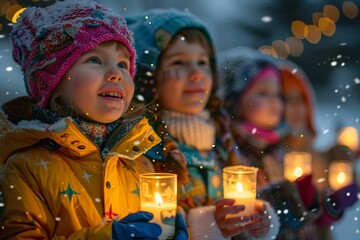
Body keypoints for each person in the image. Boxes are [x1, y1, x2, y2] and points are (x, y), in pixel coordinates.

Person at [0, 1, 187, 239]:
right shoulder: (26, 167)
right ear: (54, 83)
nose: (116, 74)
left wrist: (174, 228)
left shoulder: (139, 162)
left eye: (123, 64)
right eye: (95, 60)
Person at [126, 9, 279, 239]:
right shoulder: (140, 147)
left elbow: (244, 214)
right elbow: (146, 228)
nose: (197, 74)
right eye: (179, 62)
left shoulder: (223, 141)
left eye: (203, 62)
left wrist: (260, 221)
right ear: (149, 74)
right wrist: (209, 224)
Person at [219, 48, 322, 239]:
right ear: (235, 101)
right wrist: (279, 202)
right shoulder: (228, 151)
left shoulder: (277, 150)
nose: (275, 102)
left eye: (278, 94)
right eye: (263, 93)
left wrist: (313, 206)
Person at [280, 59, 359, 239]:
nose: (298, 107)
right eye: (289, 100)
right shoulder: (275, 153)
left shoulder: (315, 152)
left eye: (301, 99)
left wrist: (342, 158)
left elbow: (338, 186)